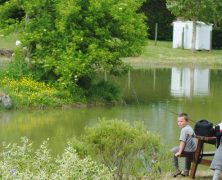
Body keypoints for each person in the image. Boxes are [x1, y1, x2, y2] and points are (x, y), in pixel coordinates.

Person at [171, 113, 197, 177]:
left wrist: (179, 152)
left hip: (189, 151)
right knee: (186, 150)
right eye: (178, 121)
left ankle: (177, 170)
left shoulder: (184, 129)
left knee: (172, 151)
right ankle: (186, 171)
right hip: (194, 150)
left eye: (181, 121)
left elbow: (183, 142)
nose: (179, 123)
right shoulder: (190, 128)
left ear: (187, 121)